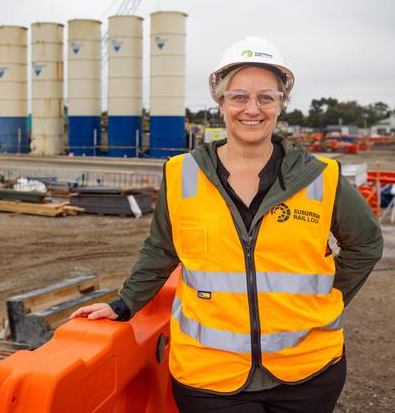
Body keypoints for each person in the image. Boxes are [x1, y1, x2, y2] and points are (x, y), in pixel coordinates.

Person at [70, 36, 383, 412]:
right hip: (209, 377)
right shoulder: (180, 174)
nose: (252, 108)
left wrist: (327, 299)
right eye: (239, 96)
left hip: (308, 371)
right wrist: (125, 304)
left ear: (282, 104)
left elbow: (366, 243)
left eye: (266, 97)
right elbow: (161, 248)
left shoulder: (321, 177)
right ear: (220, 102)